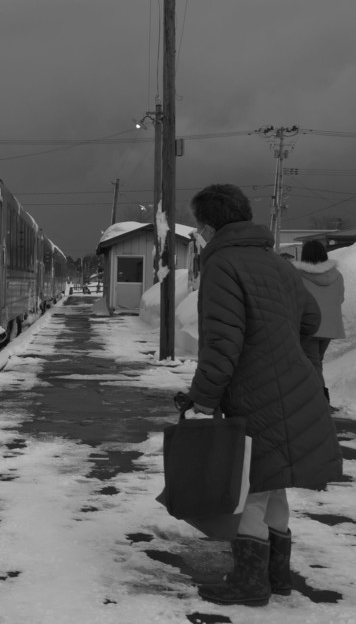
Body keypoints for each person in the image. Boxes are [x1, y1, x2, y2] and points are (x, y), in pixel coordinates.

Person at [180, 184, 344, 606]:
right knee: (272, 485)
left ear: (209, 226)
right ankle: (277, 577)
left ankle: (250, 585)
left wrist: (202, 399)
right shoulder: (279, 263)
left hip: (255, 392)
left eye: (200, 227)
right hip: (293, 387)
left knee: (250, 486)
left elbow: (221, 344)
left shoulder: (222, 265)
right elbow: (310, 318)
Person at [294, 239, 346, 404]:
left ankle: (320, 401)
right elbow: (340, 299)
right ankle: (315, 399)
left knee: (311, 364)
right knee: (316, 362)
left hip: (309, 326)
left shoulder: (299, 276)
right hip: (330, 326)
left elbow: (295, 301)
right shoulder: (337, 275)